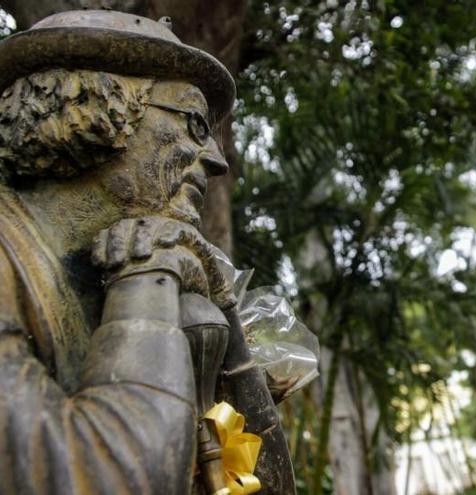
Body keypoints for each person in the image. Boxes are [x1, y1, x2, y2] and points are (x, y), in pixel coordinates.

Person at [0, 10, 292, 494]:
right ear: (95, 105)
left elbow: (268, 487)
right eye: (194, 124)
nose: (218, 161)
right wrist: (149, 269)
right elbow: (101, 476)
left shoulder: (98, 275)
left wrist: (223, 318)